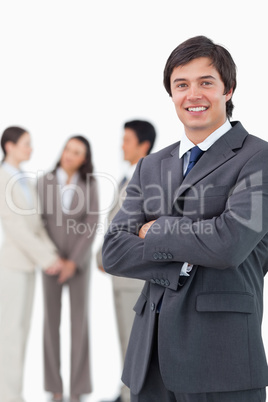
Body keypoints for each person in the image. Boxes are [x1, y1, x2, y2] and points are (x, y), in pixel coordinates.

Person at [102, 35, 268, 402]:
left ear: (228, 89)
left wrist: (155, 229)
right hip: (149, 359)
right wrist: (186, 257)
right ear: (172, 94)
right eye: (182, 85)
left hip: (221, 360)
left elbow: (229, 244)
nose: (193, 94)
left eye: (206, 82)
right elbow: (113, 250)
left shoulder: (258, 158)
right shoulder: (151, 165)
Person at [0, 126, 63, 402]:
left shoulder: (23, 179)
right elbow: (16, 228)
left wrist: (53, 255)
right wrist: (48, 258)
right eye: (26, 143)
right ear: (9, 146)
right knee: (10, 333)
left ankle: (15, 394)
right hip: (12, 264)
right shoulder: (3, 177)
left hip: (28, 265)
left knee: (21, 331)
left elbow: (37, 226)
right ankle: (8, 395)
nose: (30, 148)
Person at [97, 120, 156, 402]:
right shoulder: (126, 177)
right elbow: (114, 225)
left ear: (143, 145)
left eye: (127, 139)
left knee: (136, 342)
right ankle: (126, 391)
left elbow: (140, 229)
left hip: (134, 277)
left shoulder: (150, 180)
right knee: (125, 336)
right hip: (120, 276)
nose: (122, 144)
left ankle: (133, 393)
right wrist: (102, 255)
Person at [38, 135, 99, 402]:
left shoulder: (90, 183)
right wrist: (54, 258)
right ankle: (55, 388)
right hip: (50, 264)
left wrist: (73, 261)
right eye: (67, 149)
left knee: (79, 323)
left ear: (84, 158)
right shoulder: (44, 182)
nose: (69, 155)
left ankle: (78, 389)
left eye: (76, 152)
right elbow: (38, 223)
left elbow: (92, 222)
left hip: (79, 264)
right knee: (51, 324)